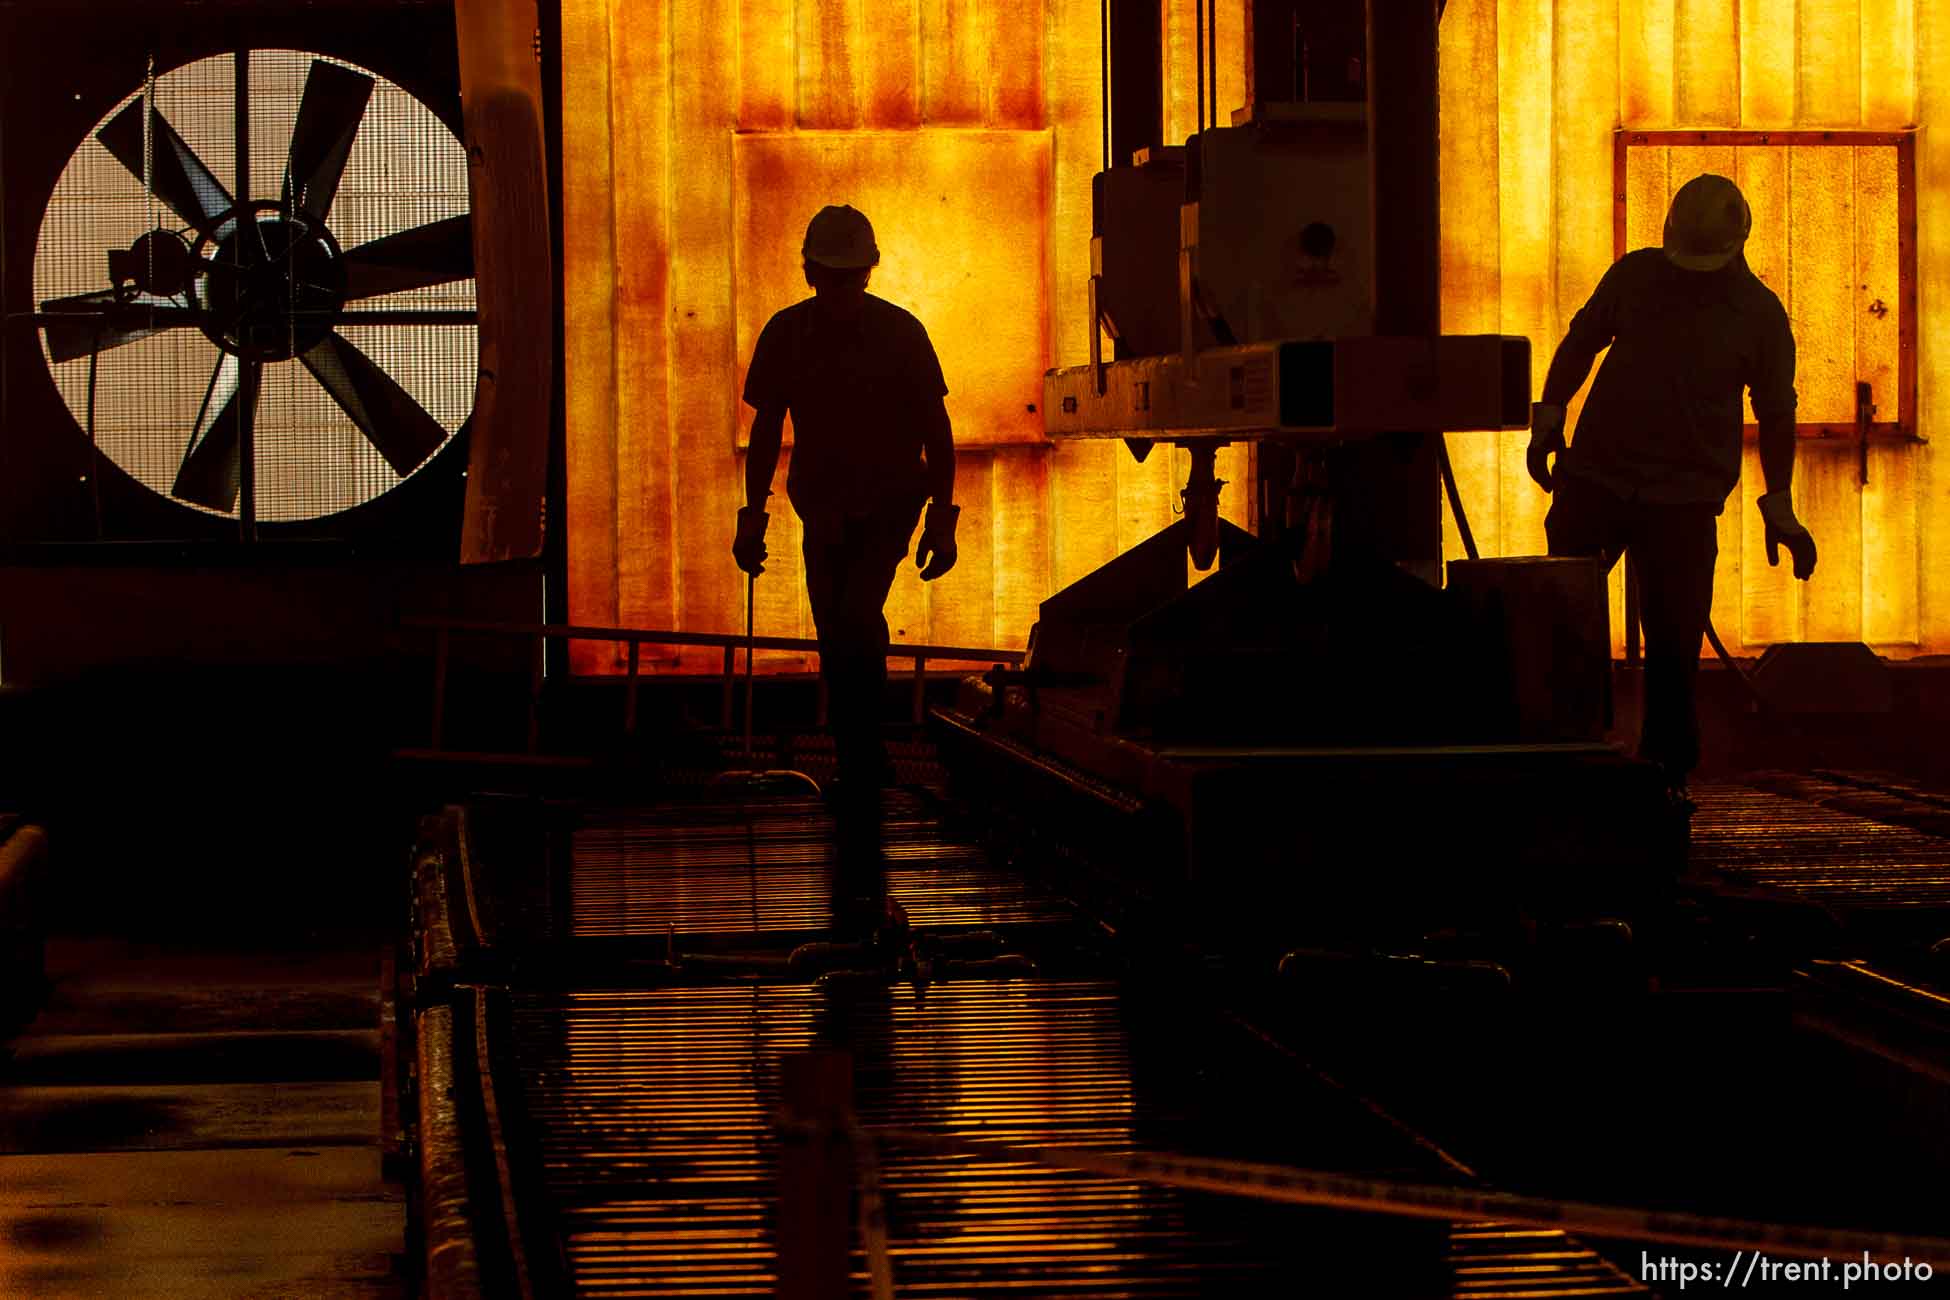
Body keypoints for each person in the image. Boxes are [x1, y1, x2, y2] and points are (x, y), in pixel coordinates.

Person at [1527, 173, 1817, 801]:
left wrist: (1779, 502)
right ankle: (1562, 756)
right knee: (1560, 624)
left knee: (1674, 643)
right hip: (1600, 479)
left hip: (1680, 501)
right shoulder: (1636, 276)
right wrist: (1549, 413)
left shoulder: (1759, 316)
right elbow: (1582, 342)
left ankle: (1665, 777)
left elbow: (1776, 412)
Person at [733, 203, 959, 801]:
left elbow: (935, 430)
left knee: (854, 617)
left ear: (865, 271)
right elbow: (766, 430)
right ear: (813, 273)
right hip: (826, 504)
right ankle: (862, 757)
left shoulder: (896, 333)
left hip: (887, 503)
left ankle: (862, 757)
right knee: (838, 628)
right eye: (833, 277)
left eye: (848, 277)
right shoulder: (792, 334)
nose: (840, 290)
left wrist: (941, 519)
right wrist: (752, 517)